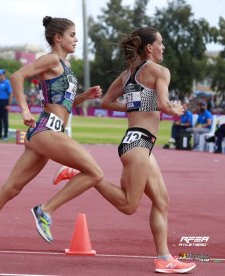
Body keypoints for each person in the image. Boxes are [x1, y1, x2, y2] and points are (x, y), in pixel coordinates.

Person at [0, 16, 103, 269]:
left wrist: (84, 97)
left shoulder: (66, 67)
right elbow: (17, 76)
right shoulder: (51, 59)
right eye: (72, 34)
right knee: (95, 172)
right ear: (58, 38)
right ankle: (45, 210)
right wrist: (24, 110)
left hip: (48, 131)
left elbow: (62, 105)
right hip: (47, 130)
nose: (76, 39)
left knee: (10, 189)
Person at [53, 27, 196, 273]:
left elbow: (106, 102)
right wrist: (173, 109)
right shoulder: (161, 71)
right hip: (139, 144)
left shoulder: (128, 73)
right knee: (129, 206)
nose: (164, 47)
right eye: (161, 43)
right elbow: (163, 103)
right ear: (149, 47)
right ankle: (82, 174)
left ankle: (164, 258)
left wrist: (139, 105)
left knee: (162, 201)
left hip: (139, 144)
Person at [0, 69, 13, 140]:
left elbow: (11, 93)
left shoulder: (7, 82)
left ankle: (5, 135)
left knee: (5, 119)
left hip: (4, 102)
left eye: (0, 74)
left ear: (3, 75)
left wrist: (9, 104)